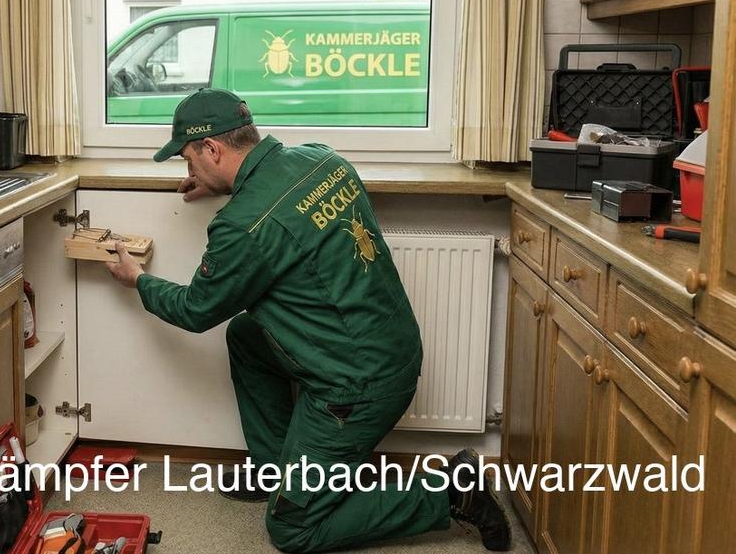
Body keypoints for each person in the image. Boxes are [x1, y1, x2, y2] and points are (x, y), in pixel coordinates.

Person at [104, 88, 510, 553]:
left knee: (293, 530)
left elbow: (195, 310)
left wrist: (139, 280)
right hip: (389, 347)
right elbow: (279, 216)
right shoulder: (322, 160)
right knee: (246, 335)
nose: (188, 172)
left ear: (212, 148)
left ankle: (451, 494)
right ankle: (274, 471)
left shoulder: (242, 225)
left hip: (355, 388)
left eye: (189, 160)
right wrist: (223, 186)